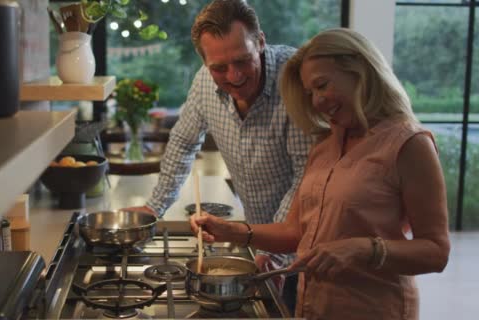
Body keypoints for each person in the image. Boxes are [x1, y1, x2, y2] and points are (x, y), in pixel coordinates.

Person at [190, 28, 451, 319]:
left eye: (322, 85)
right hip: (312, 306)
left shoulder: (409, 144)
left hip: (373, 309)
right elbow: (295, 232)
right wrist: (234, 232)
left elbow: (436, 252)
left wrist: (364, 249)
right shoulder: (326, 142)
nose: (316, 101)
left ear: (360, 70)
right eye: (309, 92)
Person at [124, 0, 312, 311]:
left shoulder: (293, 80)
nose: (234, 76)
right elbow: (184, 142)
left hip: (303, 248)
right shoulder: (203, 82)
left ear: (261, 42)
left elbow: (305, 176)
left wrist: (274, 251)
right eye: (219, 68)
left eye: (243, 61)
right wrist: (153, 207)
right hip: (256, 241)